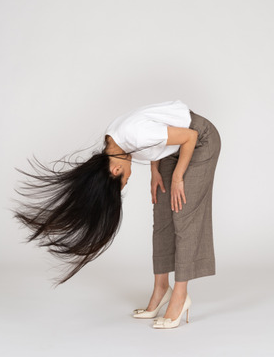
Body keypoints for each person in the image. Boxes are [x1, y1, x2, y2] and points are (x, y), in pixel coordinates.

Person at [12, 99, 221, 329]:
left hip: (200, 140)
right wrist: (154, 171)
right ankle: (161, 289)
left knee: (182, 212)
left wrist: (178, 177)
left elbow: (189, 136)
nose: (127, 180)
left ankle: (181, 296)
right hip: (174, 148)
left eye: (123, 182)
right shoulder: (115, 142)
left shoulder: (135, 136)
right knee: (162, 215)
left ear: (116, 169)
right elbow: (157, 138)